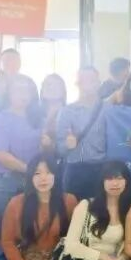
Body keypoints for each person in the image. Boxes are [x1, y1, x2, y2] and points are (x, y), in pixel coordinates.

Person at [0, 74, 43, 238]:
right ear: (8, 93)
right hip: (4, 183)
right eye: (18, 90)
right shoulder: (0, 119)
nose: (23, 94)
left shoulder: (38, 120)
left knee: (28, 231)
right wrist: (30, 169)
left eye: (27, 90)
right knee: (1, 233)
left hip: (32, 181)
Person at [56, 67, 108, 199]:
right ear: (77, 83)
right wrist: (67, 145)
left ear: (99, 83)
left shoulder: (108, 109)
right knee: (72, 209)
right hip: (75, 171)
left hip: (101, 170)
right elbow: (59, 149)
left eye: (92, 80)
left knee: (99, 209)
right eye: (83, 80)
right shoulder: (66, 111)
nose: (88, 84)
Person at [39, 73, 68, 155]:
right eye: (48, 85)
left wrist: (51, 145)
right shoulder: (34, 113)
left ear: (63, 91)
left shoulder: (70, 114)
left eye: (56, 85)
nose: (51, 88)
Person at [0, 48, 22, 112]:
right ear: (0, 63)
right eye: (7, 60)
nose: (11, 63)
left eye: (15, 60)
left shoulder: (28, 82)